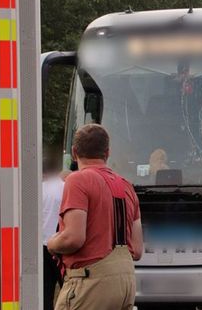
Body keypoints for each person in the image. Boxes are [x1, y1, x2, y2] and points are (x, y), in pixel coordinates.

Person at [47, 124, 143, 310]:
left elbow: (73, 238)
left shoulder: (78, 180)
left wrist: (52, 243)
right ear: (107, 153)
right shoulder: (126, 186)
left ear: (74, 153)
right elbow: (137, 250)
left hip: (92, 283)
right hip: (126, 283)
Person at [41, 155, 66, 309]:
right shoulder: (66, 187)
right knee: (68, 289)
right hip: (63, 245)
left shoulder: (38, 190)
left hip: (42, 246)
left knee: (45, 292)